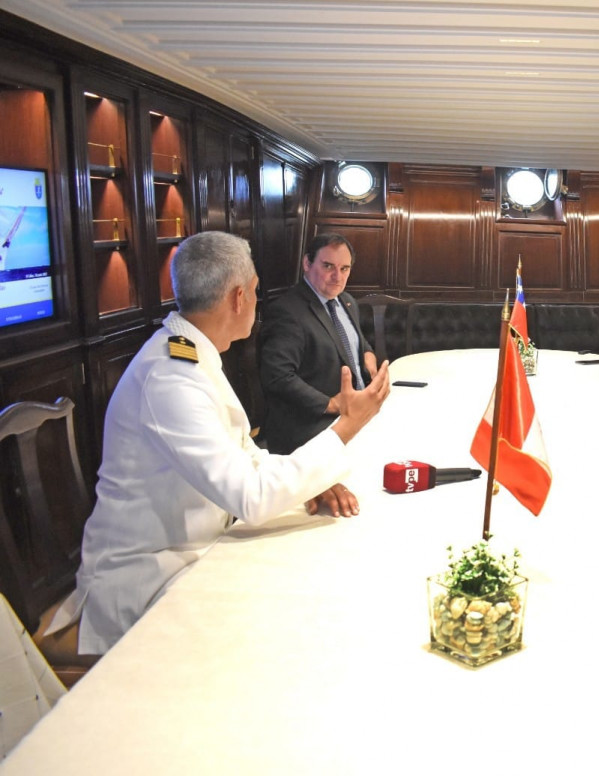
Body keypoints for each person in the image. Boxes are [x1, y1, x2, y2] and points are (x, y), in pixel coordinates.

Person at [45, 232, 391, 655]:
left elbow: (245, 458)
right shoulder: (172, 376)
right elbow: (250, 497)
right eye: (257, 291)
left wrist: (308, 485)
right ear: (239, 297)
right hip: (152, 575)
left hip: (197, 546)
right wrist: (347, 427)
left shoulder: (192, 353)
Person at [260, 233, 377, 454]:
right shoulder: (286, 311)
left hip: (357, 416)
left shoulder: (347, 302)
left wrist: (368, 355)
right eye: (328, 266)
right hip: (313, 428)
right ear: (307, 263)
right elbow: (277, 376)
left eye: (344, 269)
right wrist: (331, 404)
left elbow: (356, 342)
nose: (337, 277)